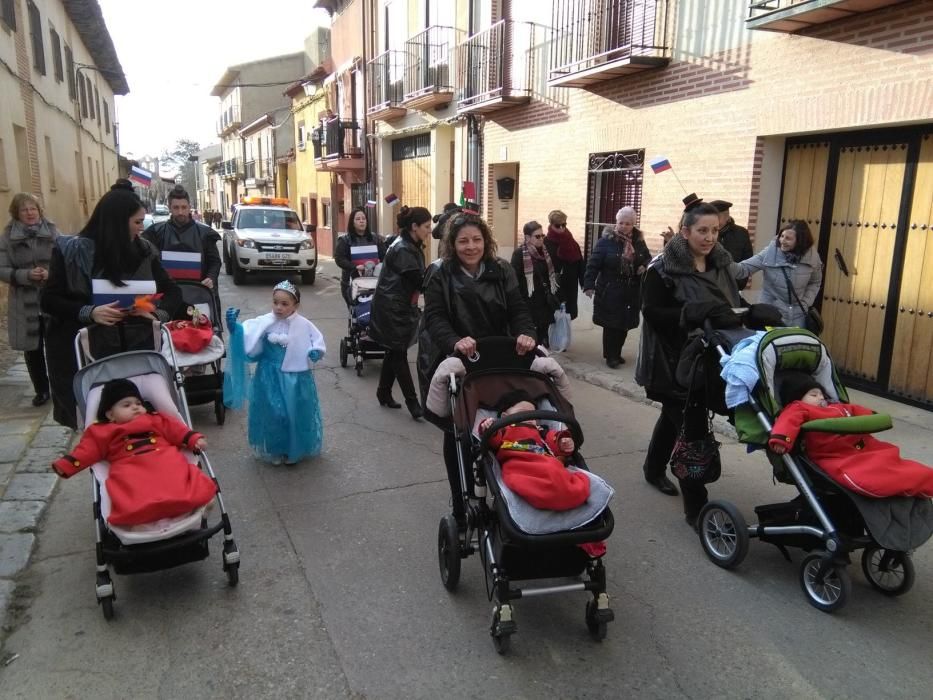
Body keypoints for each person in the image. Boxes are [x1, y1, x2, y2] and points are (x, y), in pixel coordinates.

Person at [419, 213, 537, 526]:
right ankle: (460, 501)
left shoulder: (502, 270)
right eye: (463, 241)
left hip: (496, 356)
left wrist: (527, 333)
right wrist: (455, 340)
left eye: (476, 239)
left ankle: (505, 488)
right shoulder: (440, 273)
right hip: (456, 358)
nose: (471, 247)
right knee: (457, 431)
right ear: (451, 244)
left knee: (500, 421)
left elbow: (519, 309)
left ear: (485, 240)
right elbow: (434, 317)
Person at [635, 201, 744, 526]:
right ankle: (696, 510)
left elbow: (728, 305)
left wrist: (752, 312)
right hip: (671, 364)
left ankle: (653, 469)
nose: (710, 237)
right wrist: (687, 314)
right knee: (691, 429)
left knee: (675, 420)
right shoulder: (662, 270)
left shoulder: (721, 266)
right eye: (702, 230)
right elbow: (651, 313)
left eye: (714, 230)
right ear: (685, 231)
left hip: (710, 359)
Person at [41, 188, 182, 430]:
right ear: (117, 223)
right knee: (99, 426)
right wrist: (89, 312)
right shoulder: (71, 252)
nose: (141, 227)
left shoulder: (144, 250)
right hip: (89, 354)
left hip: (137, 351)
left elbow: (172, 291)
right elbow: (49, 300)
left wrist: (156, 314)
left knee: (142, 425)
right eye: (137, 221)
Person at [51, 378, 217, 526]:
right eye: (127, 405)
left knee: (179, 474)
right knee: (131, 486)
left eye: (138, 403)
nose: (136, 407)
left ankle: (195, 500)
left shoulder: (156, 419)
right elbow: (87, 450)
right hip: (129, 464)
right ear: (110, 414)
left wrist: (194, 439)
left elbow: (177, 430)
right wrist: (67, 464)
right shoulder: (101, 431)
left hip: (164, 458)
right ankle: (142, 514)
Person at [769, 372, 933, 498]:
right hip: (836, 455)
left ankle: (923, 480)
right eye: (813, 395)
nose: (820, 397)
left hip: (864, 447)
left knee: (895, 463)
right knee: (872, 477)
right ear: (797, 398)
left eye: (821, 394)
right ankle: (900, 485)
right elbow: (787, 421)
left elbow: (857, 410)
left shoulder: (839, 407)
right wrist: (782, 439)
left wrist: (873, 416)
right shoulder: (799, 408)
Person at [224, 280, 325, 465]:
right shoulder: (264, 322)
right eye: (275, 302)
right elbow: (249, 341)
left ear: (296, 305)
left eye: (285, 304)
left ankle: (293, 449)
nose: (279, 307)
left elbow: (316, 340)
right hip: (268, 377)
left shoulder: (304, 324)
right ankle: (275, 448)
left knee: (293, 414)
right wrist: (235, 329)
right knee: (273, 414)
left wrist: (315, 351)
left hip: (296, 378)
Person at [478, 389, 590, 511]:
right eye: (522, 413)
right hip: (517, 464)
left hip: (544, 461)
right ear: (505, 417)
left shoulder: (540, 430)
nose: (529, 418)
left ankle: (562, 493)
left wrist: (562, 443)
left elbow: (551, 442)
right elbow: (492, 440)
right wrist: (489, 427)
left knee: (554, 470)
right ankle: (552, 495)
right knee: (519, 479)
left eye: (533, 414)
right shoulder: (504, 429)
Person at [369, 205, 431, 419]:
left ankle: (383, 392)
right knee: (398, 352)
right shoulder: (404, 248)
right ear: (414, 227)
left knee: (394, 350)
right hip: (392, 308)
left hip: (398, 306)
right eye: (426, 226)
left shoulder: (410, 244)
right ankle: (413, 403)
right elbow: (420, 281)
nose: (429, 230)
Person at [0, 193, 60, 406]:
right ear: (16, 213)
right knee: (32, 348)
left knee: (56, 345)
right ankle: (41, 390)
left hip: (51, 298)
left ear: (39, 210)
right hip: (24, 301)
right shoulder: (8, 237)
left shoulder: (52, 231)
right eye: (24, 209)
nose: (30, 213)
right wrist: (25, 275)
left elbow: (65, 259)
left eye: (33, 208)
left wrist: (49, 273)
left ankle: (59, 387)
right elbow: (2, 268)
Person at [583, 206, 651, 368]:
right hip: (610, 288)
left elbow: (647, 258)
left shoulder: (639, 241)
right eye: (621, 222)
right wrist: (589, 284)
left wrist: (644, 266)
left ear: (633, 224)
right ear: (616, 222)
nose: (624, 226)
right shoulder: (606, 241)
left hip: (631, 289)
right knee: (611, 325)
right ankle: (610, 355)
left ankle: (617, 352)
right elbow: (593, 264)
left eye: (628, 223)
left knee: (624, 325)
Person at [734, 219, 823, 328]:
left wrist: (805, 303)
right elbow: (743, 269)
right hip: (771, 314)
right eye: (782, 236)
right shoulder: (770, 253)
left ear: (800, 241)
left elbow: (815, 282)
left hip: (798, 316)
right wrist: (723, 260)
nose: (782, 241)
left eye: (788, 238)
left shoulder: (812, 258)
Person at [142, 185, 222, 290]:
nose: (180, 212)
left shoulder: (205, 233)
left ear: (189, 207)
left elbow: (215, 262)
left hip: (198, 293)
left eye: (184, 207)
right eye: (176, 207)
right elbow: (147, 262)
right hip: (167, 295)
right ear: (170, 208)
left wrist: (211, 277)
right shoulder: (155, 232)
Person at [511, 221, 560, 348]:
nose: (541, 239)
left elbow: (550, 274)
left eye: (542, 235)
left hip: (543, 299)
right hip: (528, 300)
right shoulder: (519, 254)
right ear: (527, 237)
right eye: (537, 236)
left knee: (543, 329)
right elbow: (514, 278)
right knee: (531, 332)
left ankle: (541, 350)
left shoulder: (545, 251)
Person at [334, 207, 386, 306]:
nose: (361, 221)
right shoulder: (345, 240)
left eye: (364, 218)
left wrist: (379, 263)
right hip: (351, 283)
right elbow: (339, 259)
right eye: (358, 219)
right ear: (352, 223)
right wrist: (355, 267)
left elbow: (385, 257)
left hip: (373, 283)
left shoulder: (375, 239)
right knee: (355, 313)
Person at [543, 210, 584, 320]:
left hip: (570, 283)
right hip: (554, 284)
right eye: (558, 225)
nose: (561, 228)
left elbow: (580, 261)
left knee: (567, 316)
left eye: (564, 224)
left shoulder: (571, 240)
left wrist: (584, 281)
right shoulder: (545, 242)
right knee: (553, 315)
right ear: (551, 225)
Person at [709, 200, 753, 289]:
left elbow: (747, 260)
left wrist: (737, 284)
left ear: (727, 217)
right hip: (709, 287)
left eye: (718, 217)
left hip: (734, 286)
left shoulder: (741, 233)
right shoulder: (708, 233)